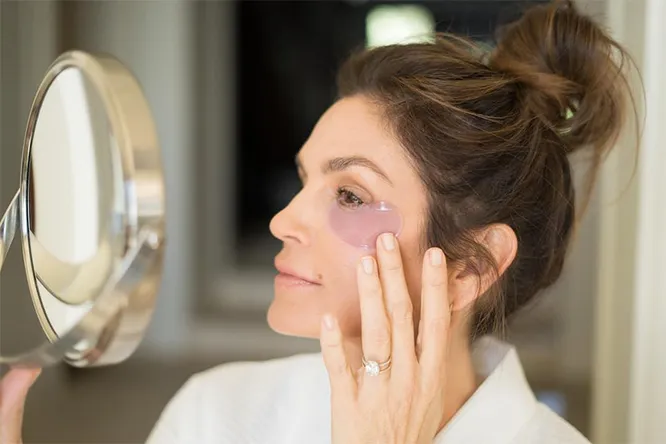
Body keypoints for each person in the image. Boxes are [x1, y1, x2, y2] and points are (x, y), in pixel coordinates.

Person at [1, 1, 636, 443]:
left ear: (472, 266)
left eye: (351, 195)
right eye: (304, 180)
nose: (283, 221)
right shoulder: (217, 411)